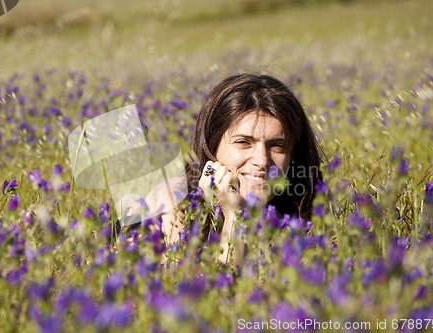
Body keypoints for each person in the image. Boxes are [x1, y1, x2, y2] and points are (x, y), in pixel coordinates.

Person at [131, 73, 324, 264]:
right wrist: (234, 217)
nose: (262, 160)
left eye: (277, 146)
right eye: (243, 142)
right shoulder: (172, 201)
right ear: (212, 145)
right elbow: (209, 289)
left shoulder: (306, 204)